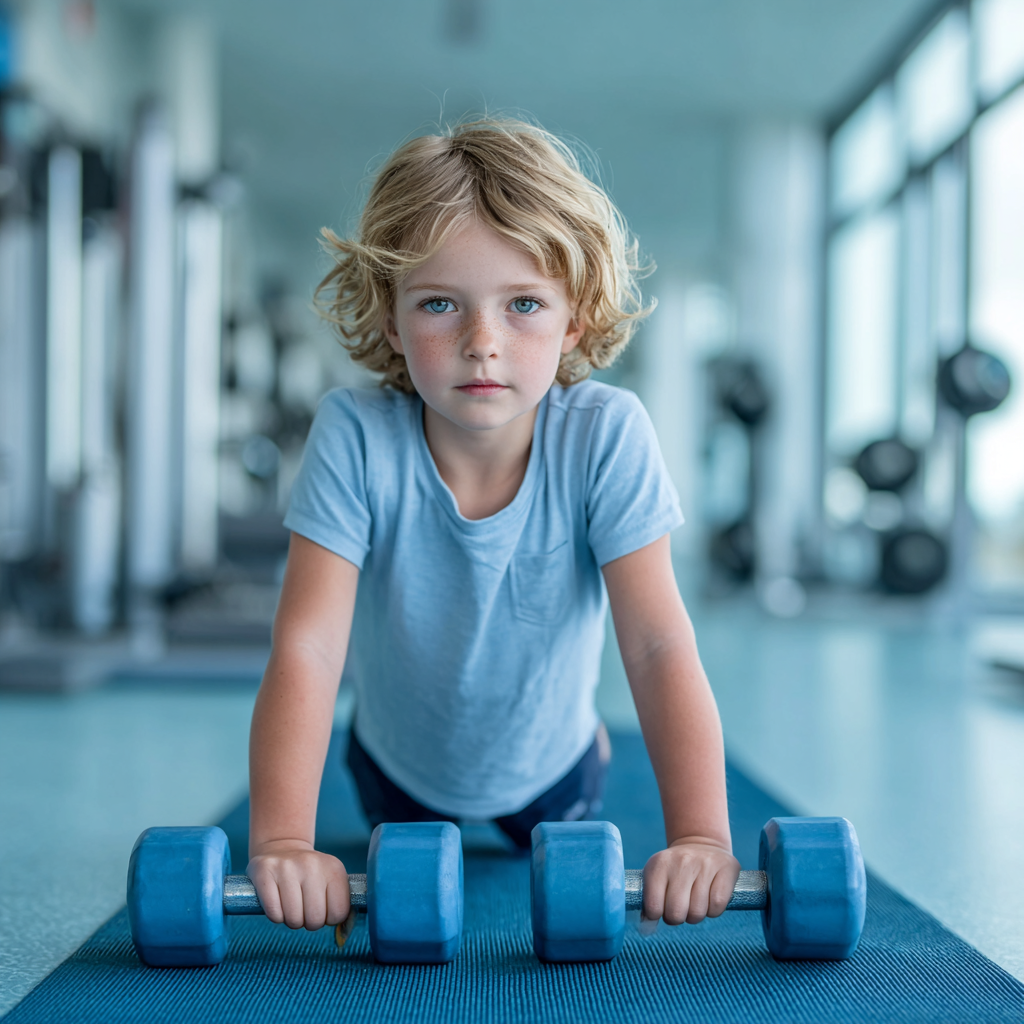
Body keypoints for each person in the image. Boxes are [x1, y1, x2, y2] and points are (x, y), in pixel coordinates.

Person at [246, 116, 741, 936]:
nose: (483, 343)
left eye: (523, 306)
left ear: (574, 320)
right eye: (440, 304)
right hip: (395, 769)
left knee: (547, 846)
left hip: (550, 769)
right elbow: (308, 645)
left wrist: (702, 837)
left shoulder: (606, 434)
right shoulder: (354, 433)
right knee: (403, 854)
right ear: (392, 317)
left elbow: (657, 644)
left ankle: (591, 749)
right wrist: (283, 841)